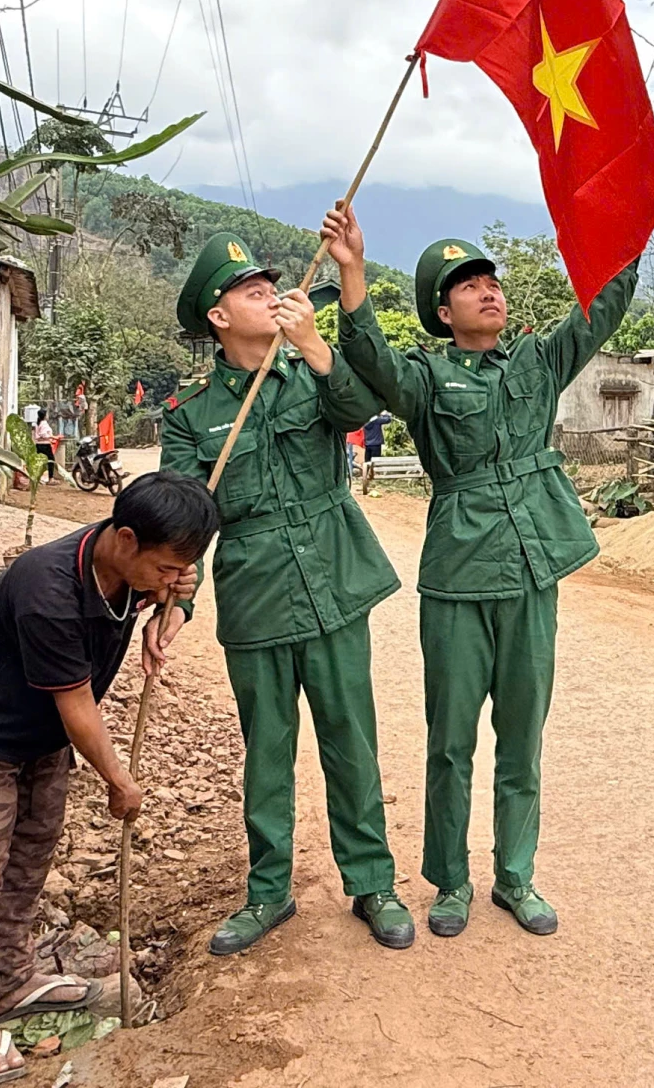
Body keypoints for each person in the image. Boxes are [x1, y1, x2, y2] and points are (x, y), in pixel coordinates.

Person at [323, 202, 637, 939]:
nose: (488, 289)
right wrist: (353, 273)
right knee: (451, 740)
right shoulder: (427, 380)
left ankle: (515, 876)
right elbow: (371, 361)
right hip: (460, 576)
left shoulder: (538, 359)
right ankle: (452, 880)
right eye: (468, 284)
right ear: (443, 309)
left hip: (532, 575)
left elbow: (603, 310)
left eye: (490, 280)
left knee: (523, 737)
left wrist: (625, 230)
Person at [159, 234, 414, 957]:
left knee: (350, 741)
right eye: (249, 290)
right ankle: (268, 891)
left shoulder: (310, 373)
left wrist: (317, 344)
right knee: (267, 752)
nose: (269, 295)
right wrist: (176, 599)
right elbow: (183, 520)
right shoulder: (190, 413)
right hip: (256, 593)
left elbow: (362, 406)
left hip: (332, 580)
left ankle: (371, 883)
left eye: (270, 284)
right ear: (217, 317)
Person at [0, 471, 215, 1086]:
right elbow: (77, 706)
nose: (171, 578)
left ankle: (12, 975)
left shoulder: (133, 569)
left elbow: (172, 587)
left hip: (40, 739)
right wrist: (119, 780)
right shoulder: (47, 586)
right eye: (165, 567)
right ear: (127, 538)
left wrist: (175, 604)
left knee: (29, 857)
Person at [359, 409, 391, 494]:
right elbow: (388, 420)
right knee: (376, 463)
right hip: (376, 444)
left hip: (368, 444)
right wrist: (385, 414)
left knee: (367, 462)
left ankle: (367, 478)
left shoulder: (365, 422)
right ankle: (374, 478)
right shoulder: (377, 420)